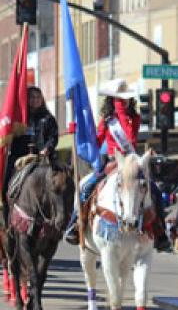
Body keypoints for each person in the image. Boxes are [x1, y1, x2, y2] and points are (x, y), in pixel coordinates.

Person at [65, 79, 169, 250]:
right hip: (111, 161)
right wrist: (84, 139)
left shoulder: (133, 118)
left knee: (154, 190)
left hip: (129, 160)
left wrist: (120, 111)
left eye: (125, 98)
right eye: (119, 99)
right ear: (113, 100)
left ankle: (159, 229)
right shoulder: (107, 120)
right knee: (86, 187)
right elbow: (97, 140)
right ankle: (76, 224)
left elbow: (130, 138)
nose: (124, 101)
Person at [2, 86, 59, 223]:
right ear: (26, 99)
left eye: (38, 97)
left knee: (61, 184)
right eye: (32, 97)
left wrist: (47, 149)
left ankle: (60, 218)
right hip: (19, 158)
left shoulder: (48, 118)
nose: (35, 100)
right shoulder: (19, 118)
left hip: (42, 158)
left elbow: (53, 137)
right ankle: (7, 221)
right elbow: (8, 133)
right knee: (6, 187)